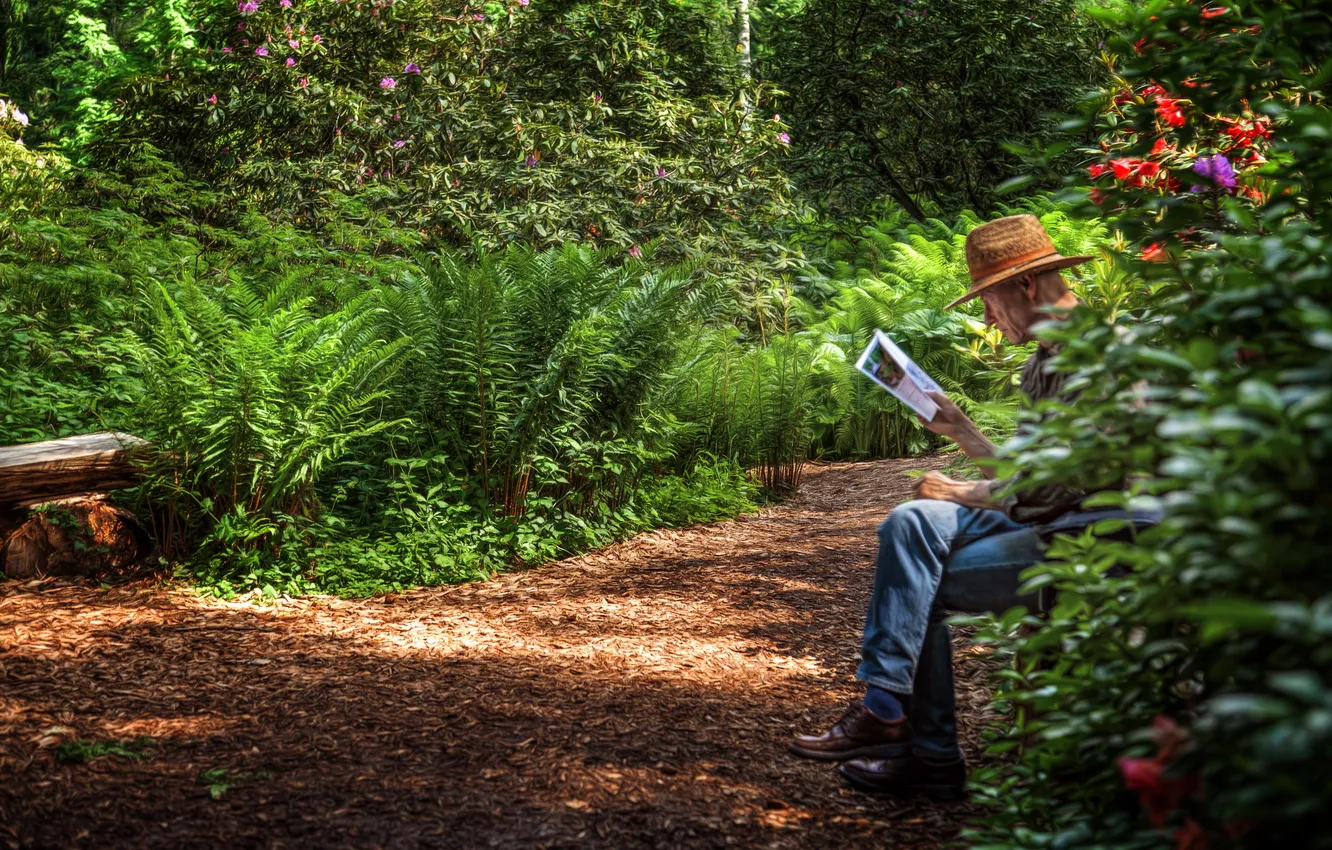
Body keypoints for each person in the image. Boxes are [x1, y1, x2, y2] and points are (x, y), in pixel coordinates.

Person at [788, 214, 1093, 799]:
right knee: (910, 521)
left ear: (1026, 284)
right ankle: (891, 715)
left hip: (1083, 538)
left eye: (990, 302)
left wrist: (960, 491)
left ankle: (917, 744)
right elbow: (1026, 477)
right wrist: (962, 430)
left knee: (915, 585)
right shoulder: (1043, 360)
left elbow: (1059, 487)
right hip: (1043, 520)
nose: (988, 319)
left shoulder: (1098, 356)